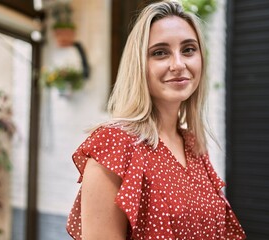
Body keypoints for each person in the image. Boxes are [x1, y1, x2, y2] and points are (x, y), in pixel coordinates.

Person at [66, 0, 246, 239]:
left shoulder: (194, 145)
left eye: (188, 49)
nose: (178, 64)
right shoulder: (113, 144)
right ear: (139, 64)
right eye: (160, 53)